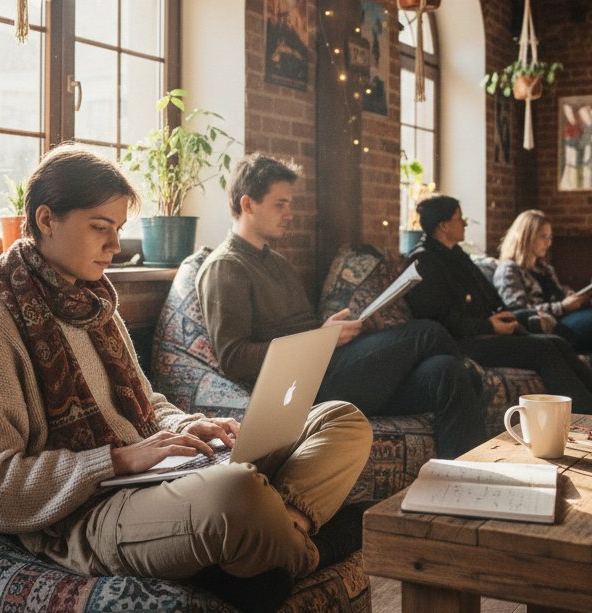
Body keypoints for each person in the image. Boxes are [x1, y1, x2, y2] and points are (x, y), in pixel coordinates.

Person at [0, 145, 372, 613]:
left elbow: (148, 402)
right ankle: (309, 550)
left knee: (342, 420)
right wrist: (115, 460)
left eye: (118, 229)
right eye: (100, 228)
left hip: (153, 478)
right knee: (237, 492)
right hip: (88, 513)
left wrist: (187, 426)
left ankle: (281, 530)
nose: (115, 246)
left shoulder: (96, 307)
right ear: (46, 219)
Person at [195, 153, 487, 459]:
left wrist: (331, 331)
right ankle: (478, 372)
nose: (290, 213)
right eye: (280, 204)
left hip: (326, 368)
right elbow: (234, 358)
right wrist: (321, 338)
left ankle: (464, 482)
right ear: (247, 204)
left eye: (289, 204)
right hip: (300, 388)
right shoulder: (225, 267)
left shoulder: (277, 262)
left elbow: (304, 332)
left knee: (449, 373)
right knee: (427, 332)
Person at [405, 194, 592, 419]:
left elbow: (489, 298)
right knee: (543, 349)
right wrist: (489, 326)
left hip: (483, 330)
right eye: (459, 218)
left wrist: (506, 316)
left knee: (556, 342)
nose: (465, 223)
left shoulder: (456, 254)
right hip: (462, 342)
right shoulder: (424, 261)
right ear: (444, 226)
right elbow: (443, 319)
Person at [494, 209, 592, 355]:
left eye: (550, 237)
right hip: (549, 326)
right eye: (543, 236)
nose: (548, 243)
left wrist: (574, 297)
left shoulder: (545, 268)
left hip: (564, 318)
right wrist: (562, 306)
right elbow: (520, 311)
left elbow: (558, 294)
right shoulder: (509, 270)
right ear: (526, 237)